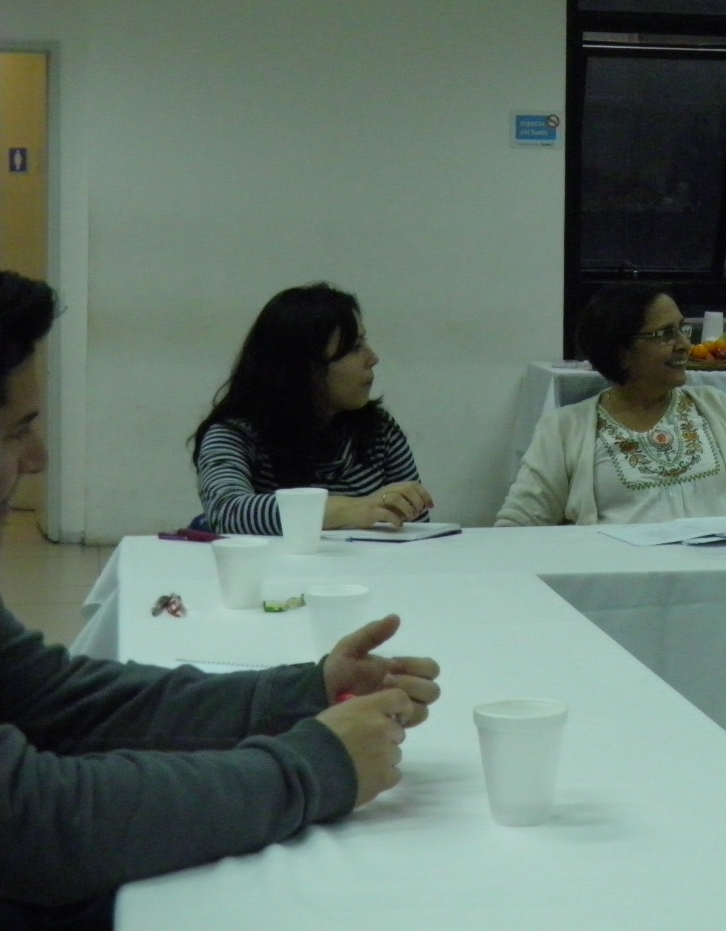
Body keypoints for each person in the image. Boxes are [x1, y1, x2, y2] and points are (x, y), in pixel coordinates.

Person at [0, 271, 441, 929]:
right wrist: (313, 766)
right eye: (16, 432)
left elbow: (62, 699)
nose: (38, 458)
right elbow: (38, 824)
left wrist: (308, 690)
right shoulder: (235, 432)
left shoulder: (374, 427)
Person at [497, 284, 726, 526]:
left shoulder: (716, 407)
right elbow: (520, 524)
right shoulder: (565, 429)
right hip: (615, 570)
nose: (684, 344)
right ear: (622, 352)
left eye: (682, 328)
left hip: (718, 568)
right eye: (666, 334)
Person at [193, 284, 432, 535]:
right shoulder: (234, 434)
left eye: (364, 342)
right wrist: (348, 510)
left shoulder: (380, 430)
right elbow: (227, 512)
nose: (372, 358)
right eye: (354, 348)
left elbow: (419, 530)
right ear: (305, 368)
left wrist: (407, 507)